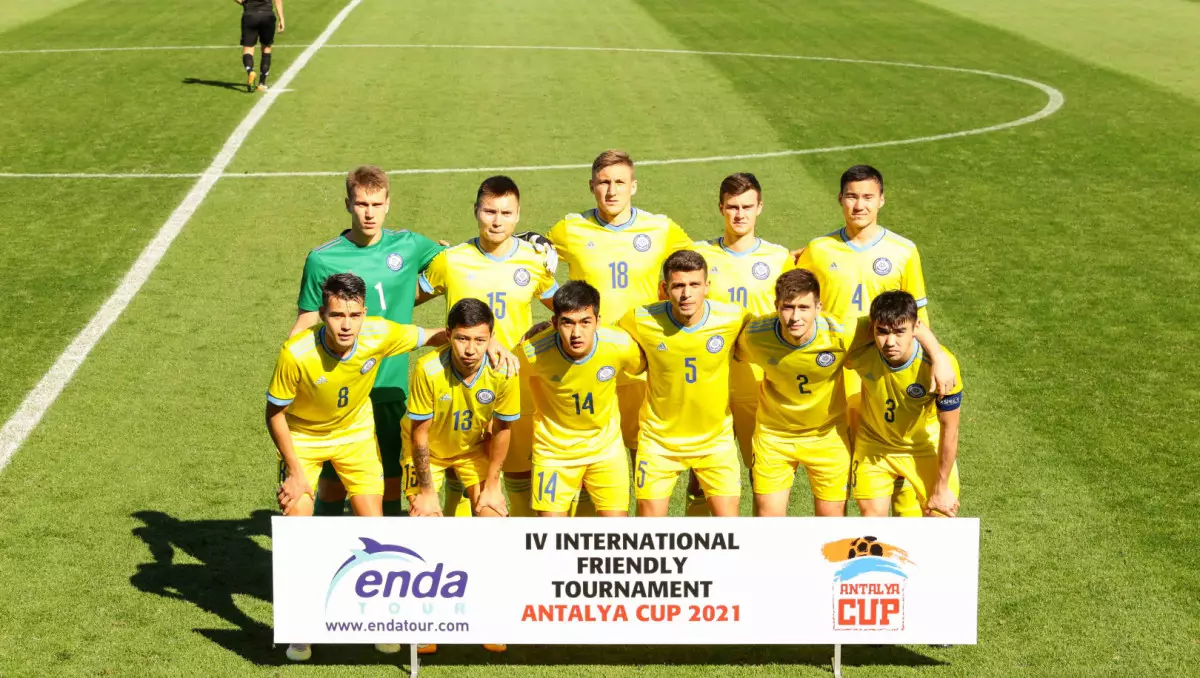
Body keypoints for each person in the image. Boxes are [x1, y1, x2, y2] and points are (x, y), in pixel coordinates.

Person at [265, 273, 442, 662]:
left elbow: (434, 335)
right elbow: (274, 413)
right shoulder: (296, 353)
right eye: (336, 315)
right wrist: (294, 471)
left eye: (354, 315)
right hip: (304, 437)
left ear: (364, 313)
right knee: (297, 527)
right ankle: (302, 627)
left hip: (355, 435)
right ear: (322, 314)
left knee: (374, 530)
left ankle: (378, 621)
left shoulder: (379, 333)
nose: (346, 325)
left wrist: (489, 341)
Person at [796, 164, 952, 516]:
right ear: (840, 199)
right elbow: (794, 297)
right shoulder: (818, 250)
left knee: (895, 447)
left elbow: (917, 317)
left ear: (881, 200)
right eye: (852, 197)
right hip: (836, 371)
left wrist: (936, 358)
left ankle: (901, 535)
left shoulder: (904, 250)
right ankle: (848, 540)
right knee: (846, 461)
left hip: (884, 371)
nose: (859, 205)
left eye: (868, 197)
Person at [290, 166, 446, 519]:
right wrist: (294, 374)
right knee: (333, 482)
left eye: (376, 204)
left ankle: (384, 547)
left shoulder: (409, 245)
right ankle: (331, 544)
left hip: (390, 384)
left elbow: (451, 263)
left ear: (388, 204)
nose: (369, 213)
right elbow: (307, 320)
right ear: (348, 204)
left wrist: (416, 294)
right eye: (361, 204)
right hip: (339, 388)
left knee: (390, 477)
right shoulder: (322, 259)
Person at [735, 270, 953, 517]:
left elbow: (902, 322)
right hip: (775, 437)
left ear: (819, 307)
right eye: (788, 307)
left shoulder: (842, 332)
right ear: (776, 306)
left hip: (827, 437)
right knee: (769, 519)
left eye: (804, 307)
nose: (795, 317)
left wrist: (939, 356)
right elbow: (728, 347)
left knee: (833, 524)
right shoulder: (755, 336)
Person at [418, 176, 557, 517]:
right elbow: (403, 297)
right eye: (489, 211)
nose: (497, 221)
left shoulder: (534, 260)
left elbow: (568, 310)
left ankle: (517, 541)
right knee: (460, 466)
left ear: (518, 215)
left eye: (506, 213)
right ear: (476, 211)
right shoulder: (451, 260)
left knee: (517, 473)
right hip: (459, 382)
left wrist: (548, 327)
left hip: (514, 383)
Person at [405, 298, 517, 657]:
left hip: (471, 450)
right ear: (449, 335)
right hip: (426, 453)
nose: (471, 350)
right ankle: (426, 622)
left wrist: (494, 485)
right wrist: (426, 491)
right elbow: (419, 436)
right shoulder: (427, 369)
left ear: (491, 338)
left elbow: (503, 429)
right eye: (462, 339)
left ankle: (488, 617)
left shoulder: (503, 372)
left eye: (480, 340)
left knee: (494, 522)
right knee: (426, 526)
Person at [617, 251, 748, 517]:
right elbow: (600, 337)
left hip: (715, 442)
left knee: (731, 527)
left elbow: (772, 331)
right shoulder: (640, 319)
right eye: (678, 286)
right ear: (664, 289)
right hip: (659, 443)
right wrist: (549, 331)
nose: (686, 294)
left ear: (707, 286)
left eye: (694, 285)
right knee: (649, 530)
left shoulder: (734, 318)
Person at [520, 281, 645, 517]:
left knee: (617, 531)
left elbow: (651, 365)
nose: (577, 333)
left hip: (605, 450)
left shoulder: (620, 345)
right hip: (554, 453)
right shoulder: (533, 351)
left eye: (585, 322)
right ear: (554, 322)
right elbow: (500, 374)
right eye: (568, 323)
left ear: (598, 321)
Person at [847, 291, 962, 518]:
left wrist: (941, 488)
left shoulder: (941, 368)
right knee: (872, 525)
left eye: (900, 332)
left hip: (924, 448)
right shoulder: (859, 351)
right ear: (872, 328)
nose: (890, 342)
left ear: (916, 328)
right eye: (882, 332)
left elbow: (950, 429)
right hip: (875, 446)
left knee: (939, 518)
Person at [235, 0, 284, 92]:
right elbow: (278, 1)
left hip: (250, 15)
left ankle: (250, 71)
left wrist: (244, 3)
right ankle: (262, 83)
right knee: (266, 48)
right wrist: (281, 19)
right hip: (267, 15)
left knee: (248, 49)